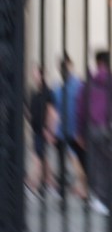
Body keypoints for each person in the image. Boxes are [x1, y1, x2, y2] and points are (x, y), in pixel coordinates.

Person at [76, 49, 112, 214]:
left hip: (91, 127)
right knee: (111, 162)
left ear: (97, 63)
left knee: (95, 163)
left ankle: (98, 198)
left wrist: (79, 132)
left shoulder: (88, 83)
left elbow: (80, 109)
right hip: (110, 127)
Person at [53, 55, 87, 199]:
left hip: (68, 131)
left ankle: (77, 187)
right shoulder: (78, 86)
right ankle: (82, 188)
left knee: (73, 161)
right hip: (71, 131)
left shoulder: (61, 88)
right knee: (78, 161)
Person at [26, 63, 58, 196]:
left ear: (42, 75)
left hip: (43, 131)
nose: (34, 77)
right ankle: (53, 185)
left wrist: (50, 130)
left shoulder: (48, 92)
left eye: (36, 74)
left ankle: (30, 185)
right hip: (36, 130)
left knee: (36, 159)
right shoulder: (34, 93)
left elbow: (53, 114)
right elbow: (30, 112)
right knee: (43, 158)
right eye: (33, 74)